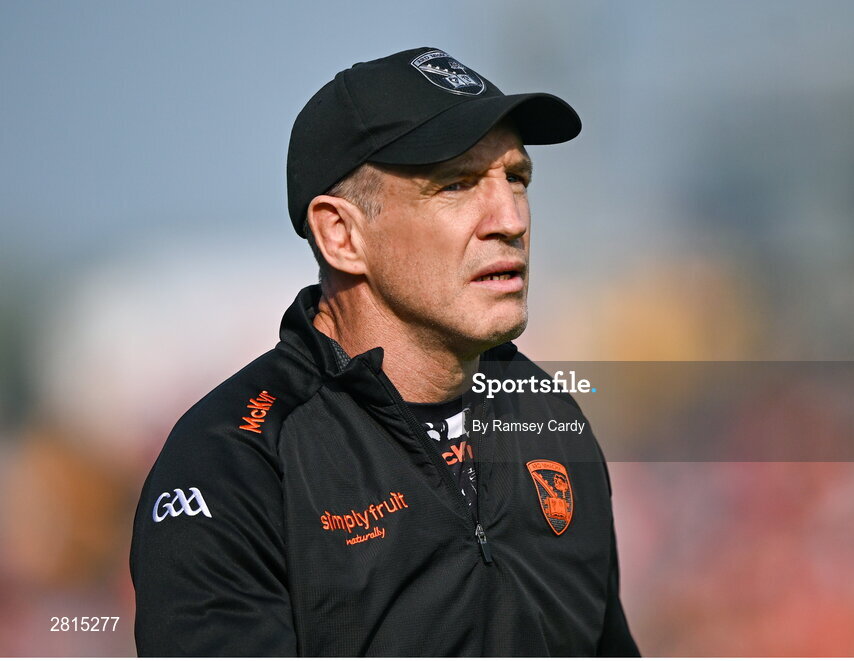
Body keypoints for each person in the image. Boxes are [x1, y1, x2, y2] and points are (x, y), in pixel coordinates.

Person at [130, 46, 639, 657]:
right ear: (342, 235)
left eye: (516, 178)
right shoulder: (234, 463)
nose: (510, 218)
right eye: (455, 184)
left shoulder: (552, 422)